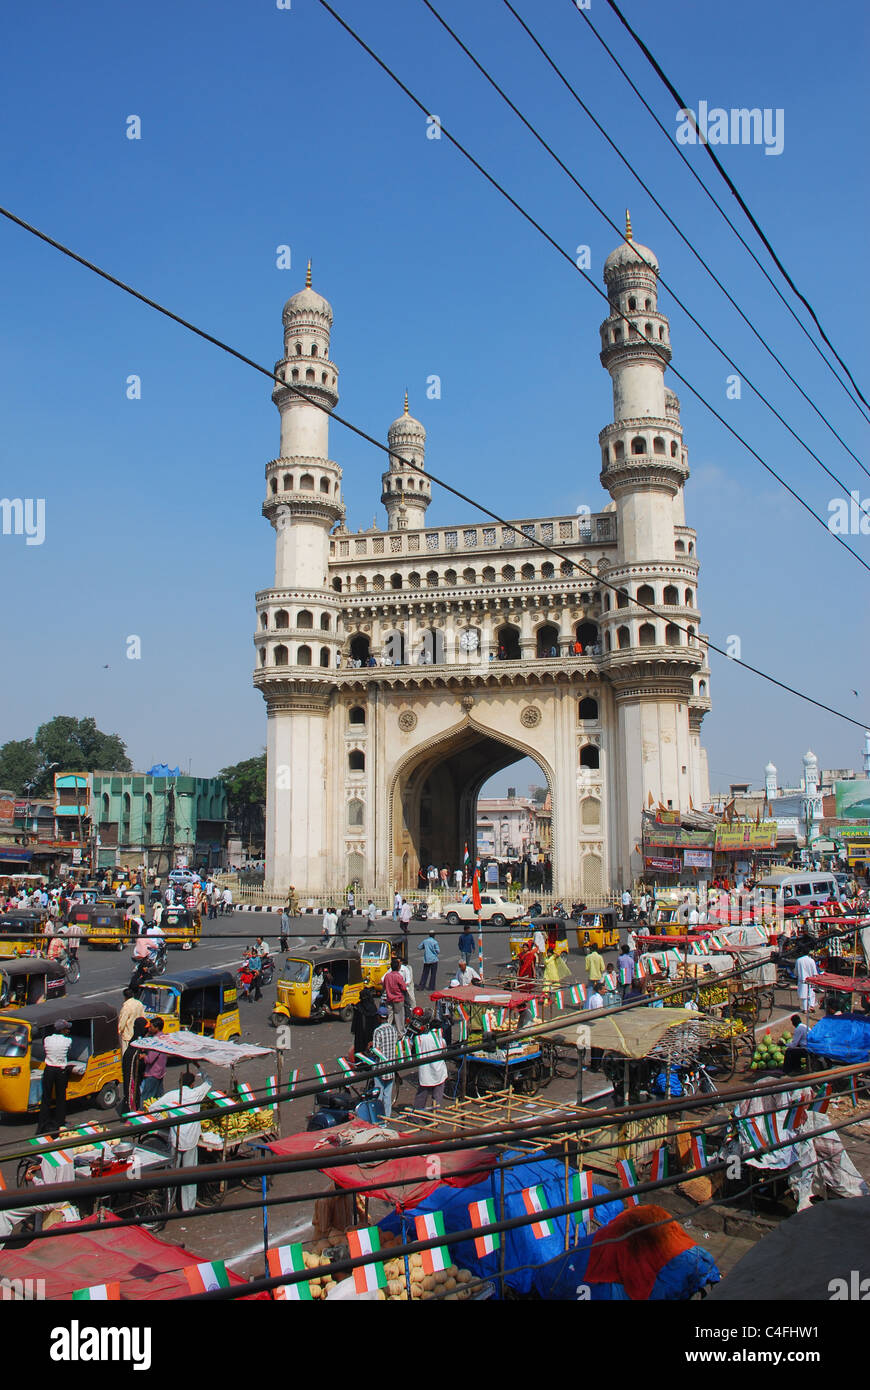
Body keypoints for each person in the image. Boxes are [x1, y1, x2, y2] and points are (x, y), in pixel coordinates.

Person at [150, 1069, 213, 1212]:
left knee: (171, 1174)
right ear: (192, 1084)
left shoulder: (171, 1096)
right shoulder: (196, 1093)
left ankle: (168, 1202)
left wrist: (166, 1120)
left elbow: (153, 1108)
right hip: (191, 1140)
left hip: (175, 1140)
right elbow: (209, 1081)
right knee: (189, 1175)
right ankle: (188, 1207)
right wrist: (201, 1070)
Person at [36, 1018, 74, 1135]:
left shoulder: (47, 1039)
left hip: (49, 1069)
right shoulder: (68, 1041)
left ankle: (42, 1123)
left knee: (46, 1098)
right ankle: (60, 1122)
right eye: (66, 1028)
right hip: (60, 1071)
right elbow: (68, 1051)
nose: (68, 1030)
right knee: (60, 1098)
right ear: (62, 1030)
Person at [410, 1011, 448, 1109]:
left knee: (421, 1097)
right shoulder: (442, 1041)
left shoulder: (422, 1038)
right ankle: (435, 1117)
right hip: (439, 1072)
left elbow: (413, 1043)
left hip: (427, 1073)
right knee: (437, 1098)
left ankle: (416, 1117)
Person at [371, 1005, 399, 1117]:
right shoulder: (393, 1030)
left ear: (379, 1017)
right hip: (391, 1067)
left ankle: (378, 1117)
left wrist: (370, 1048)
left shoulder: (378, 1031)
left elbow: (376, 1051)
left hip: (380, 1068)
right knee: (388, 1095)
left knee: (379, 1095)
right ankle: (387, 1117)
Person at [121, 1015, 150, 1115]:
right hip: (132, 1073)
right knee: (131, 1090)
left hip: (138, 1075)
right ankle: (130, 1111)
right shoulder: (134, 1046)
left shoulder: (140, 1040)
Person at [140, 1018, 168, 1104]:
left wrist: (143, 1056)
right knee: (158, 1097)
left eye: (151, 1027)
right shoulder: (163, 1037)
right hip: (160, 1072)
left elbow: (149, 1059)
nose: (149, 1029)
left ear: (157, 1028)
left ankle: (142, 1114)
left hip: (153, 1074)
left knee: (146, 1099)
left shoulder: (156, 1041)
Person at [351, 987, 381, 1058]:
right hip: (370, 1034)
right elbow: (376, 1023)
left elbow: (355, 1022)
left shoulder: (358, 1007)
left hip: (360, 1034)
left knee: (360, 1051)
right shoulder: (373, 1007)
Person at [383, 956, 409, 1033]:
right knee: (399, 1017)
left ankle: (387, 1031)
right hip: (398, 999)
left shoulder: (387, 976)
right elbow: (404, 988)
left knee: (389, 1016)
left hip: (389, 998)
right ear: (398, 967)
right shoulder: (398, 976)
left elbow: (384, 985)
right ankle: (400, 1032)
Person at [118, 987, 145, 1054]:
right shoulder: (139, 1003)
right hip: (137, 1034)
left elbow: (122, 1022)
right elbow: (143, 1018)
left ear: (125, 997)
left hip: (128, 1035)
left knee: (126, 1054)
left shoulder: (126, 1007)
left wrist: (119, 1031)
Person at [585, 983, 605, 1071]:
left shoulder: (592, 997)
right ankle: (596, 1064)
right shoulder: (598, 999)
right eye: (604, 989)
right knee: (599, 1046)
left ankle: (594, 1063)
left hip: (592, 1023)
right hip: (598, 1024)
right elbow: (599, 1012)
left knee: (594, 1046)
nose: (605, 991)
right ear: (599, 990)